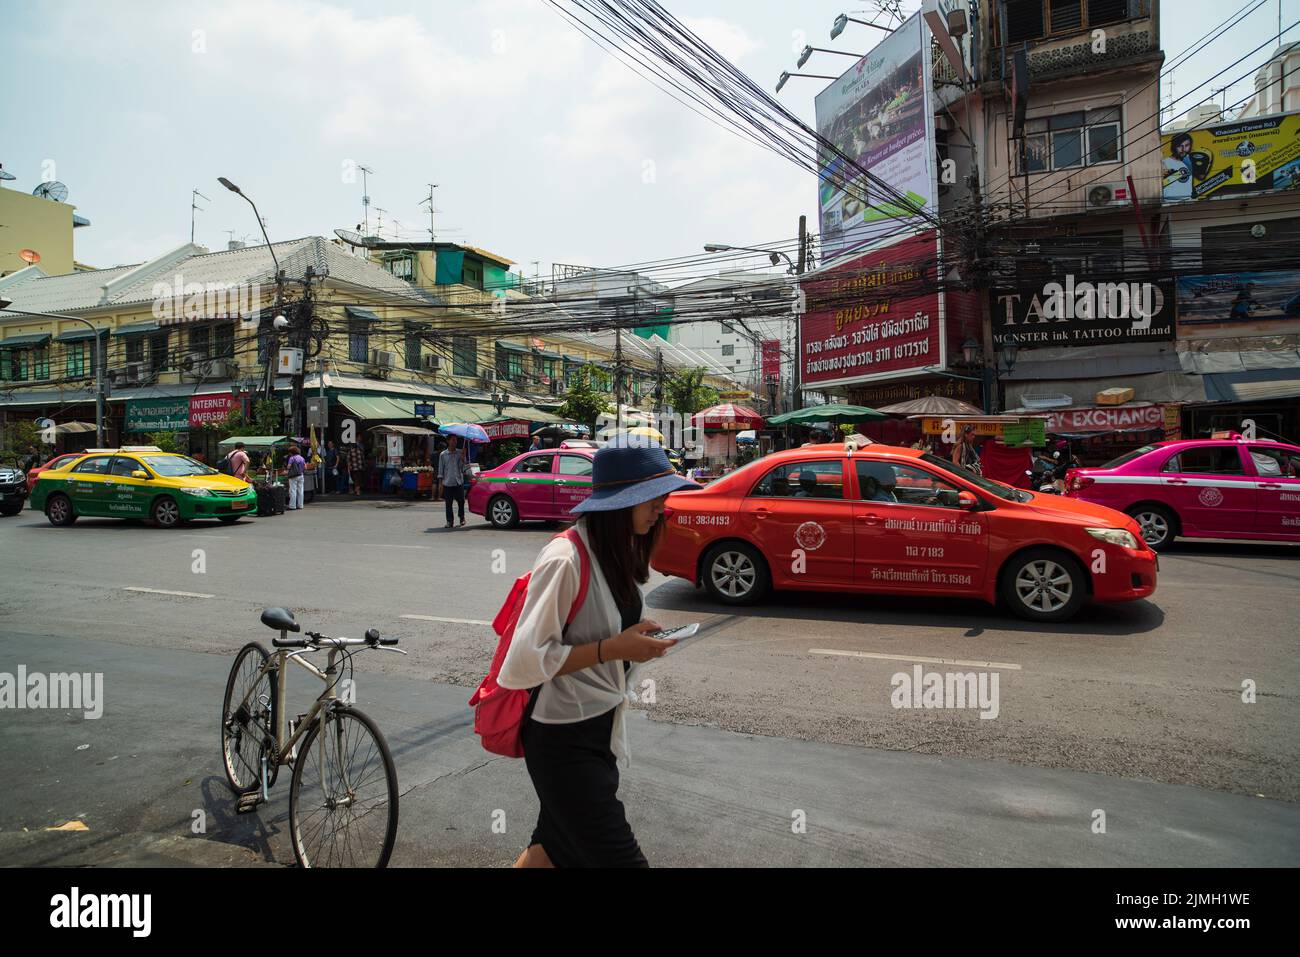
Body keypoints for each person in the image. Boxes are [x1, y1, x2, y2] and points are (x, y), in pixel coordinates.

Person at [499, 442, 700, 868]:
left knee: (547, 852)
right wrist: (613, 648)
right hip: (562, 741)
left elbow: (603, 634)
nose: (662, 509)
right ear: (622, 502)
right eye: (655, 499)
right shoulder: (564, 558)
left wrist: (636, 642)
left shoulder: (616, 552)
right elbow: (522, 663)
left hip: (597, 731)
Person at [439, 435, 469, 528]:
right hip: (447, 482)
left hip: (458, 481)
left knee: (461, 501)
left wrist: (463, 458)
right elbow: (441, 469)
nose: (454, 442)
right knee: (448, 503)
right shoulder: (443, 454)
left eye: (456, 440)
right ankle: (449, 521)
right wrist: (440, 483)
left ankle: (462, 518)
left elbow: (463, 468)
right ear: (448, 441)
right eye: (453, 440)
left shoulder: (460, 452)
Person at [285, 444, 306, 510]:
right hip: (301, 475)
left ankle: (292, 506)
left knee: (293, 490)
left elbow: (288, 467)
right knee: (300, 490)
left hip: (293, 476)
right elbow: (305, 467)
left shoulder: (292, 458)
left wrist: (287, 469)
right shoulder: (302, 458)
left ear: (292, 452)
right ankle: (300, 505)